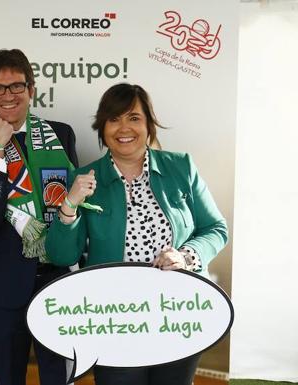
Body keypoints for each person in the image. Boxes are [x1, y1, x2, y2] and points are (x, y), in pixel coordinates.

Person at [45, 83, 228, 385]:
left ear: (148, 125)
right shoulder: (86, 179)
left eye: (133, 118)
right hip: (114, 319)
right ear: (102, 129)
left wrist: (184, 255)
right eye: (113, 119)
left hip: (177, 313)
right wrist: (69, 205)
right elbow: (62, 255)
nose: (123, 128)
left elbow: (215, 229)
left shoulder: (181, 167)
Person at [0, 48, 78, 385]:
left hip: (56, 276)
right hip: (2, 284)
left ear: (31, 90)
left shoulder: (60, 134)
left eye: (16, 86)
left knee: (59, 378)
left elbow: (72, 205)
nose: (7, 96)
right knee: (8, 378)